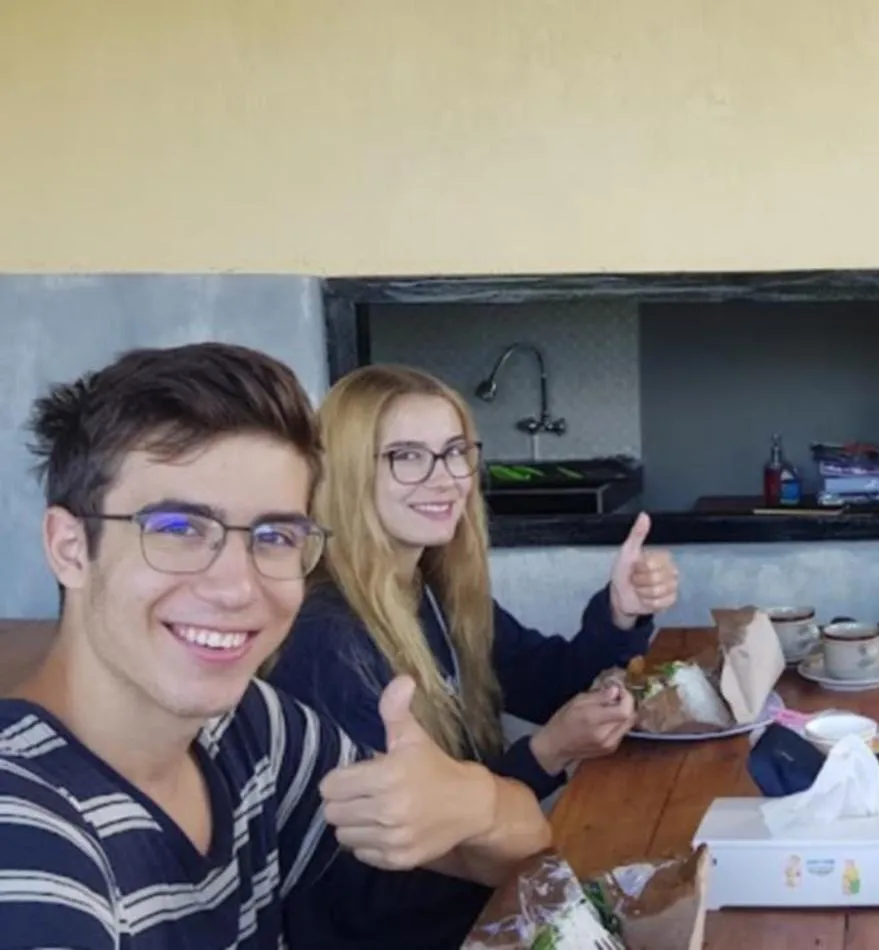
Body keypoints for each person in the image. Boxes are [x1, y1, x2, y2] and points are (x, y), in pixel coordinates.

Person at [0, 343, 553, 949]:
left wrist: (475, 800)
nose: (238, 587)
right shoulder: (27, 843)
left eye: (275, 535)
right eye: (178, 529)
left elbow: (520, 844)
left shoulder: (253, 732)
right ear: (70, 547)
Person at [263, 363, 680, 950]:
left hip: (489, 906)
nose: (444, 479)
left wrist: (620, 612)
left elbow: (552, 684)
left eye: (455, 452)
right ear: (350, 473)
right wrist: (547, 753)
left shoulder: (435, 591)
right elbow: (388, 878)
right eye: (407, 456)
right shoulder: (324, 640)